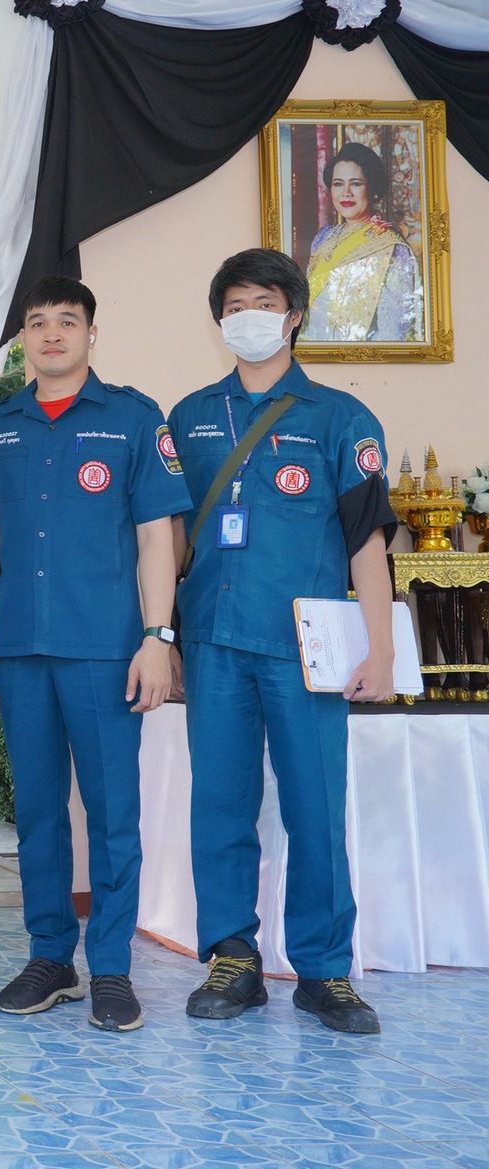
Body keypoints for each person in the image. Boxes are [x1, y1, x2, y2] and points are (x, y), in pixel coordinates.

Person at [168, 248, 398, 1034]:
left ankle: (324, 969)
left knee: (315, 806)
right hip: (213, 639)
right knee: (220, 803)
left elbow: (367, 542)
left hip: (307, 648)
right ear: (219, 319)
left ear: (294, 315)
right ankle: (232, 957)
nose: (249, 317)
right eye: (235, 305)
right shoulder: (190, 417)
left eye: (264, 303)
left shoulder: (339, 418)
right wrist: (162, 636)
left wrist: (380, 647)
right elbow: (165, 538)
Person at [0, 278, 189, 1033]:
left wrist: (157, 638)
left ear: (93, 333)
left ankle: (113, 967)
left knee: (112, 813)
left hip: (106, 649)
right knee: (36, 814)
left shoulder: (133, 418)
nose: (52, 334)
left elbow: (158, 537)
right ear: (22, 340)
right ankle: (51, 958)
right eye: (37, 323)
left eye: (67, 320)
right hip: (21, 648)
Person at [303, 140, 423, 344]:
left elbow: (395, 329)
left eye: (356, 184)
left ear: (372, 188)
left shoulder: (392, 247)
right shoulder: (323, 237)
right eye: (338, 184)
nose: (346, 193)